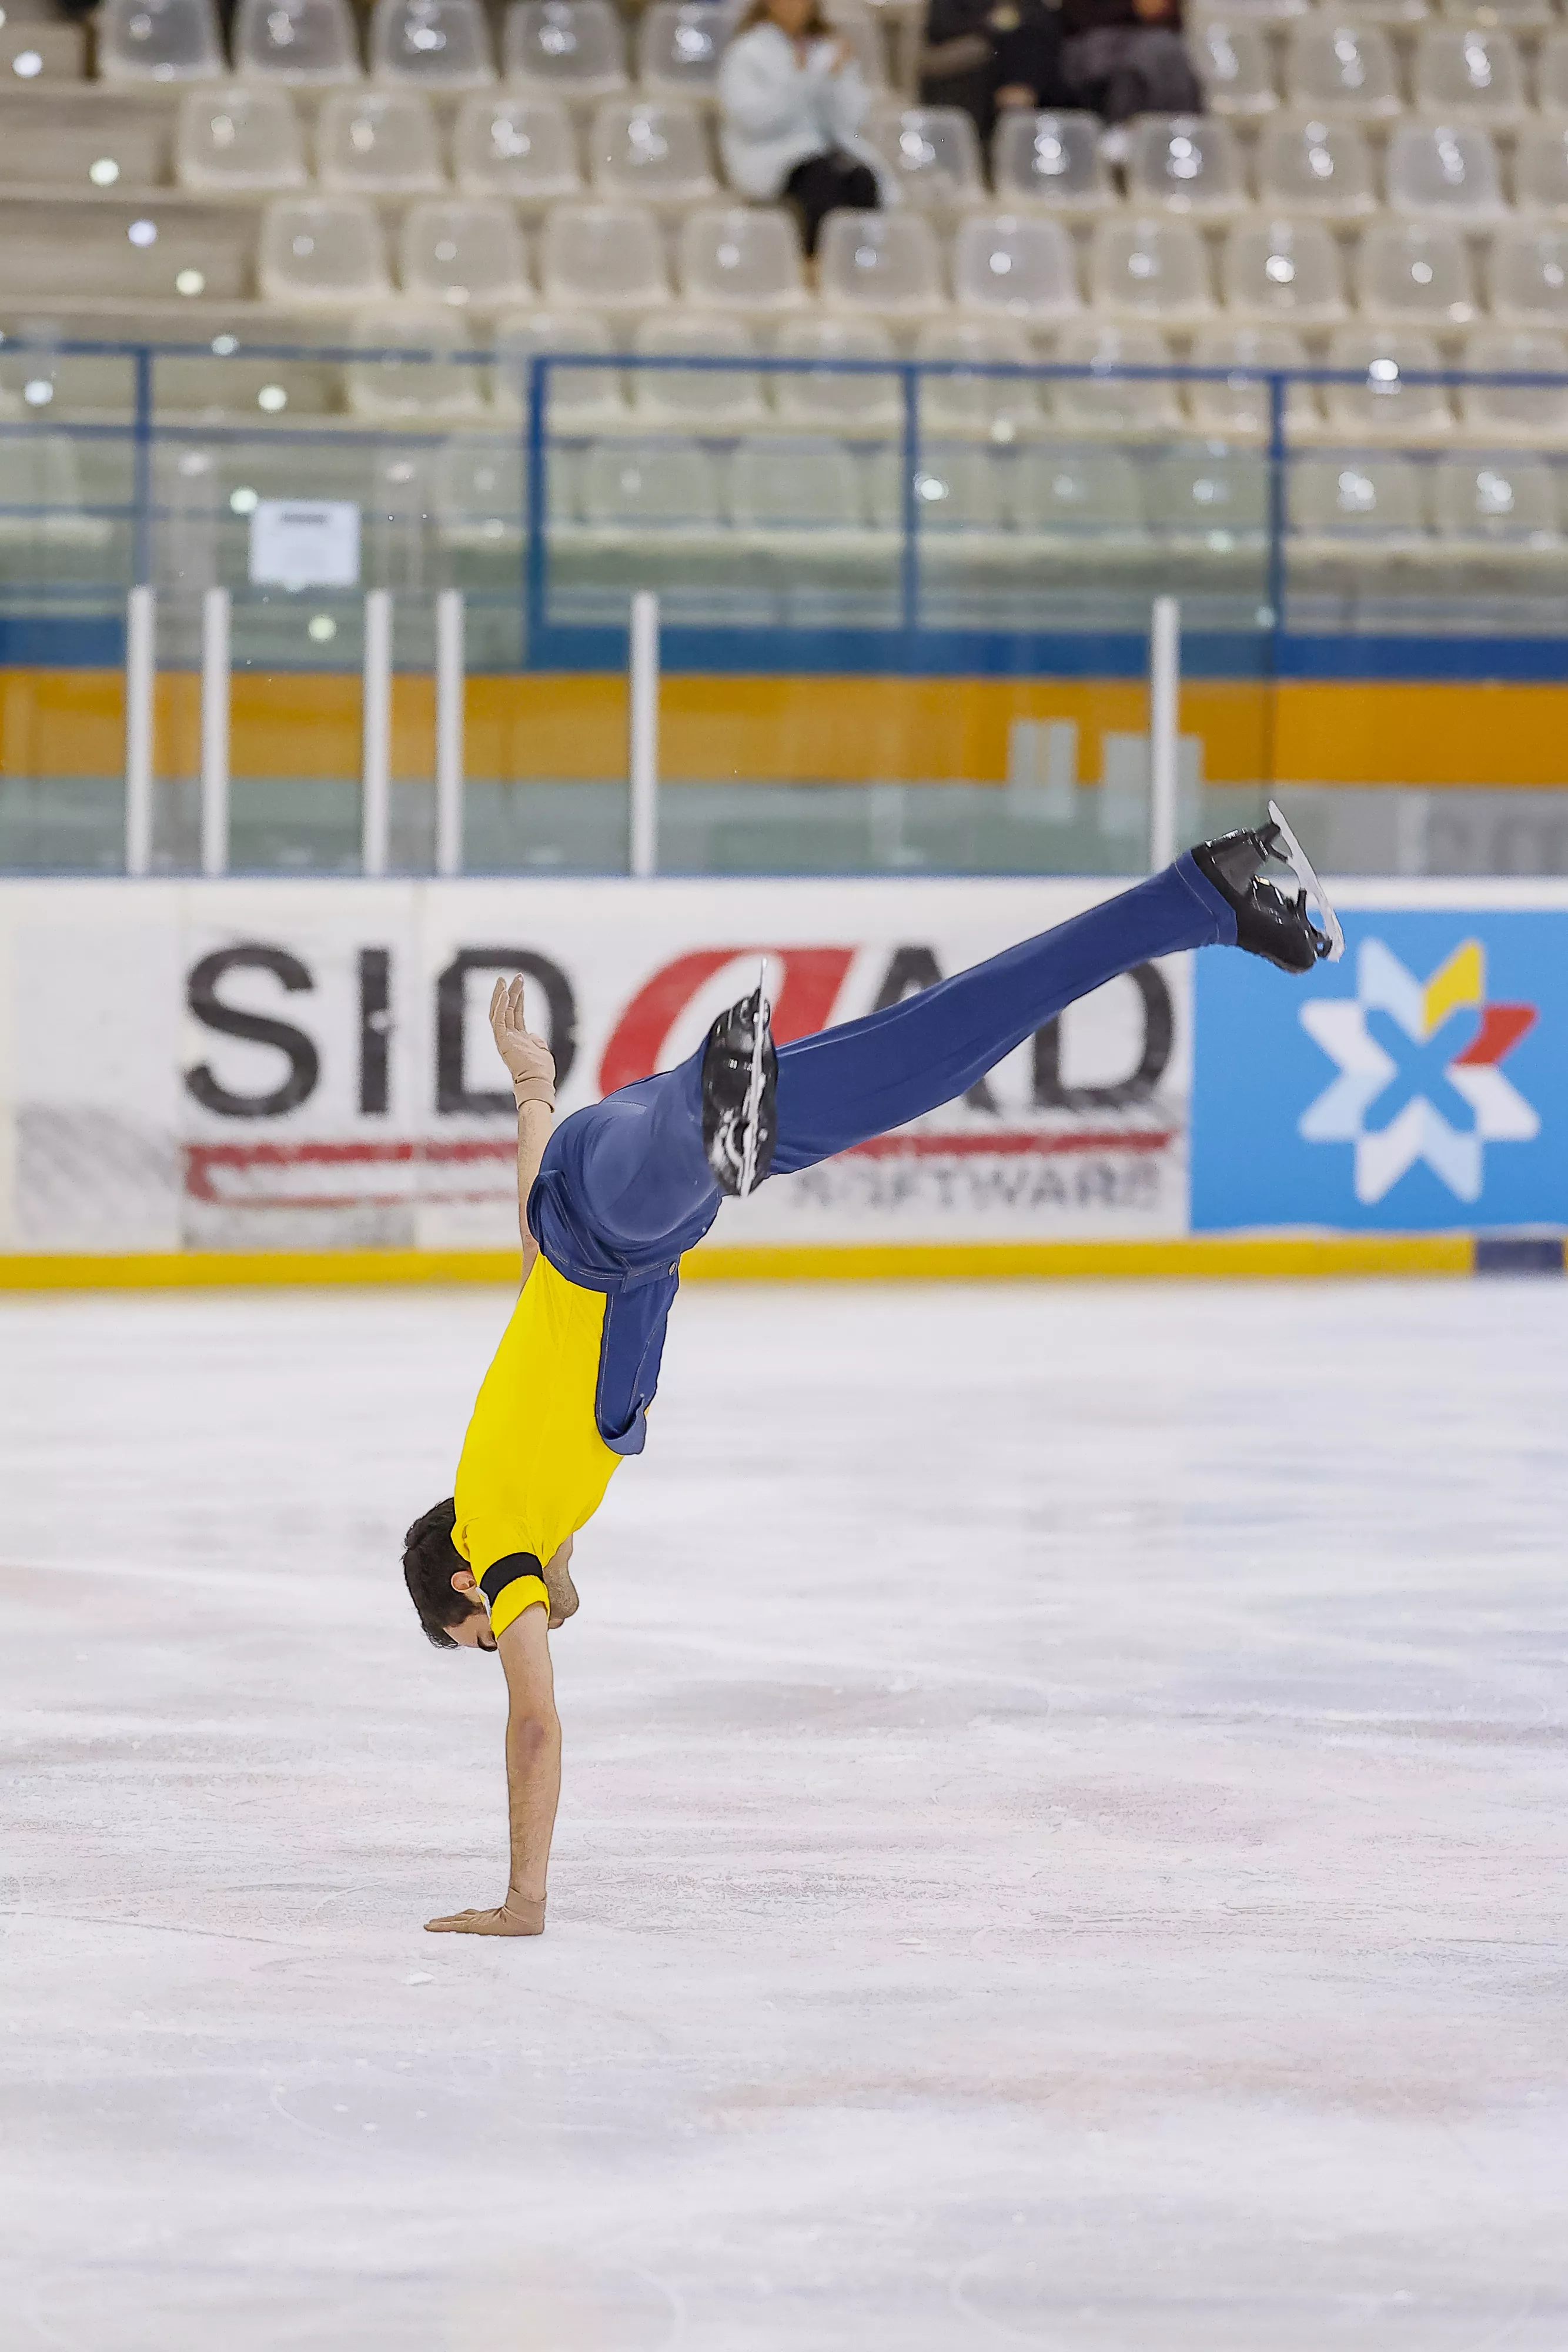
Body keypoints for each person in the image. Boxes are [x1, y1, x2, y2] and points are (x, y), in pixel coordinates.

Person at [409, 813, 1342, 1937]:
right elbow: (555, 1541)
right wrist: (533, 1089)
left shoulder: (502, 1531)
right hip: (621, 1183)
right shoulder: (524, 1490)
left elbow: (535, 1724)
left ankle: (715, 1098)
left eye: (483, 1636)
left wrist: (524, 1901)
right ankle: (1210, 892)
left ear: (467, 1586)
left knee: (671, 1160)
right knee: (938, 1048)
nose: (515, 1635)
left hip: (616, 1203)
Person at [717, 0, 891, 261]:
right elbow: (752, 119)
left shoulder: (828, 51)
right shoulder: (747, 52)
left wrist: (833, 78)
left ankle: (862, 263)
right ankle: (815, 262)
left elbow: (851, 118)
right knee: (821, 180)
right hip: (772, 152)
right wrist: (800, 80)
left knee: (861, 179)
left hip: (828, 149)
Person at [918, 0, 1063, 152]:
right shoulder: (948, 8)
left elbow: (1037, 18)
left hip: (1019, 71)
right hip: (949, 111)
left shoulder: (1033, 18)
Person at [1057, 0, 1203, 129]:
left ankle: (1175, 135)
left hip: (1143, 47)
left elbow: (1159, 11)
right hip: (1085, 50)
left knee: (1163, 53)